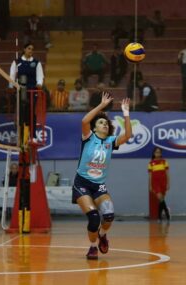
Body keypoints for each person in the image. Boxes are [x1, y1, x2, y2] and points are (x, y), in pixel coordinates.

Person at [72, 93, 132, 260]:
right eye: (101, 122)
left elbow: (128, 136)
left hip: (99, 185)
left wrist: (126, 113)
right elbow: (84, 121)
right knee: (93, 217)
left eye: (106, 123)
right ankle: (92, 247)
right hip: (82, 183)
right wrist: (101, 106)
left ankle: (103, 235)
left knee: (109, 215)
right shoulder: (88, 137)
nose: (105, 124)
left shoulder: (110, 141)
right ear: (94, 127)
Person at [9, 42, 42, 139]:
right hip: (21, 91)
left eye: (32, 49)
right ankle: (21, 135)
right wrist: (11, 87)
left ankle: (33, 136)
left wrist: (39, 83)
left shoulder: (36, 62)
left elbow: (40, 76)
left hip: (32, 91)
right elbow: (12, 76)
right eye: (29, 48)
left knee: (31, 113)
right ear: (24, 49)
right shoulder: (16, 62)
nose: (31, 51)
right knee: (21, 113)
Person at [148, 147, 170, 222]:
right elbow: (150, 176)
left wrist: (168, 184)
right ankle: (166, 213)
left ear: (161, 153)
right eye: (156, 152)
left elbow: (167, 174)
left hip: (163, 182)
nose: (158, 154)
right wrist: (150, 185)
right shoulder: (151, 163)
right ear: (154, 153)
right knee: (160, 197)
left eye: (159, 152)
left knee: (161, 200)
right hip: (155, 183)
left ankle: (160, 217)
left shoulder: (164, 162)